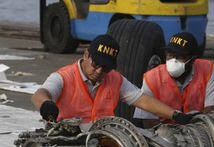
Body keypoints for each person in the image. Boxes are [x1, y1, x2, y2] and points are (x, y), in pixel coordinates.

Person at [32, 34, 194, 131]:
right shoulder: (63, 77)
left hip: (104, 137)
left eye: (106, 68)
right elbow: (41, 94)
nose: (99, 72)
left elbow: (142, 100)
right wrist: (46, 105)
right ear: (87, 55)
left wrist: (175, 115)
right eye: (96, 65)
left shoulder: (114, 78)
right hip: (69, 137)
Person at [133, 32, 214, 128]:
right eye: (170, 55)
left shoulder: (207, 69)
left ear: (192, 60)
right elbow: (148, 120)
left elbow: (212, 109)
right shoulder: (152, 78)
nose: (173, 61)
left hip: (199, 129)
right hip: (164, 133)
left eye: (180, 57)